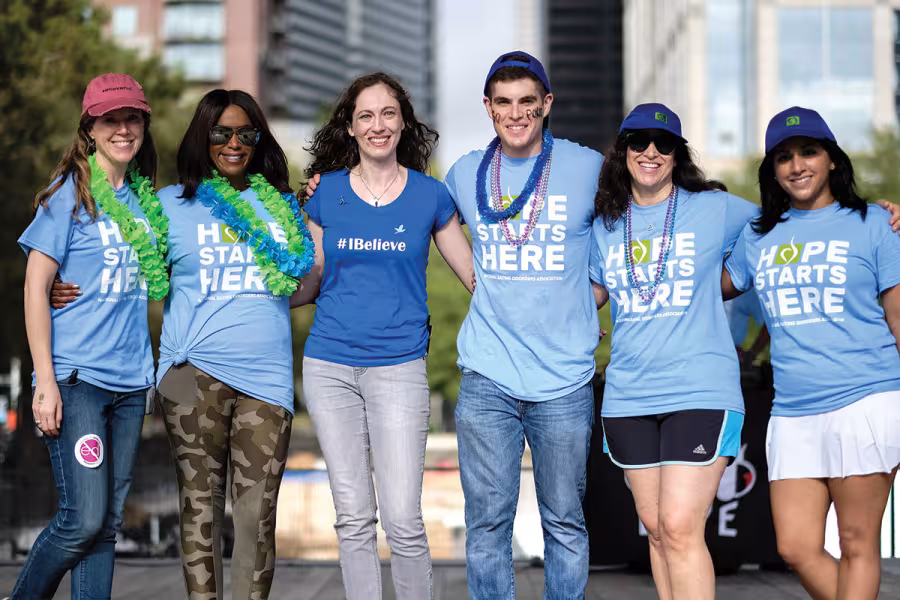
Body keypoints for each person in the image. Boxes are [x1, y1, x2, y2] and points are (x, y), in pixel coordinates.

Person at [295, 72, 474, 600]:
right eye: (366, 116)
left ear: (403, 122)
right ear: (349, 127)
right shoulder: (323, 194)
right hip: (329, 367)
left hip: (399, 368)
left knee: (403, 520)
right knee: (352, 518)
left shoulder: (430, 196)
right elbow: (312, 279)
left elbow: (475, 278)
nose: (378, 125)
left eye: (388, 114)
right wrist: (247, 295)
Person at [723, 106, 900, 600]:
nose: (797, 165)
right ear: (772, 170)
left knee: (855, 542)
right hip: (794, 410)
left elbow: (899, 317)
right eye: (783, 157)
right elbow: (706, 286)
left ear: (831, 160)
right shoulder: (758, 235)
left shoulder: (875, 224)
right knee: (796, 546)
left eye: (808, 152)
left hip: (867, 398)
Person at [445, 52, 604, 599]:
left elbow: (642, 222)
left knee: (564, 522)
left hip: (565, 380)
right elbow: (422, 213)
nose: (516, 114)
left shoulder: (588, 167)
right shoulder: (464, 172)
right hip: (487, 376)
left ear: (546, 105)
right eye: (504, 103)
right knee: (487, 525)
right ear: (488, 107)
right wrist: (474, 277)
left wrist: (587, 304)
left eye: (527, 103)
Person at [588, 103, 759, 600]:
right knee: (659, 529)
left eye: (663, 143)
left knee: (682, 526)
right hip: (629, 395)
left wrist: (872, 213)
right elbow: (591, 292)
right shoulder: (604, 223)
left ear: (677, 154)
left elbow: (781, 219)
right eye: (639, 141)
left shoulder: (713, 207)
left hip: (701, 388)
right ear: (622, 151)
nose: (651, 151)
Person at [12, 73, 164, 599]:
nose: (123, 128)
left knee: (106, 527)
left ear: (144, 123)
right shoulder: (67, 196)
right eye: (111, 120)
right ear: (91, 129)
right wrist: (45, 383)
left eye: (132, 118)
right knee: (82, 519)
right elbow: (36, 290)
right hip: (78, 380)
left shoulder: (149, 204)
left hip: (129, 384)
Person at [723, 291, 769, 369]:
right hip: (702, 354)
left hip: (733, 358)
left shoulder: (747, 293)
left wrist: (753, 352)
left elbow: (768, 323)